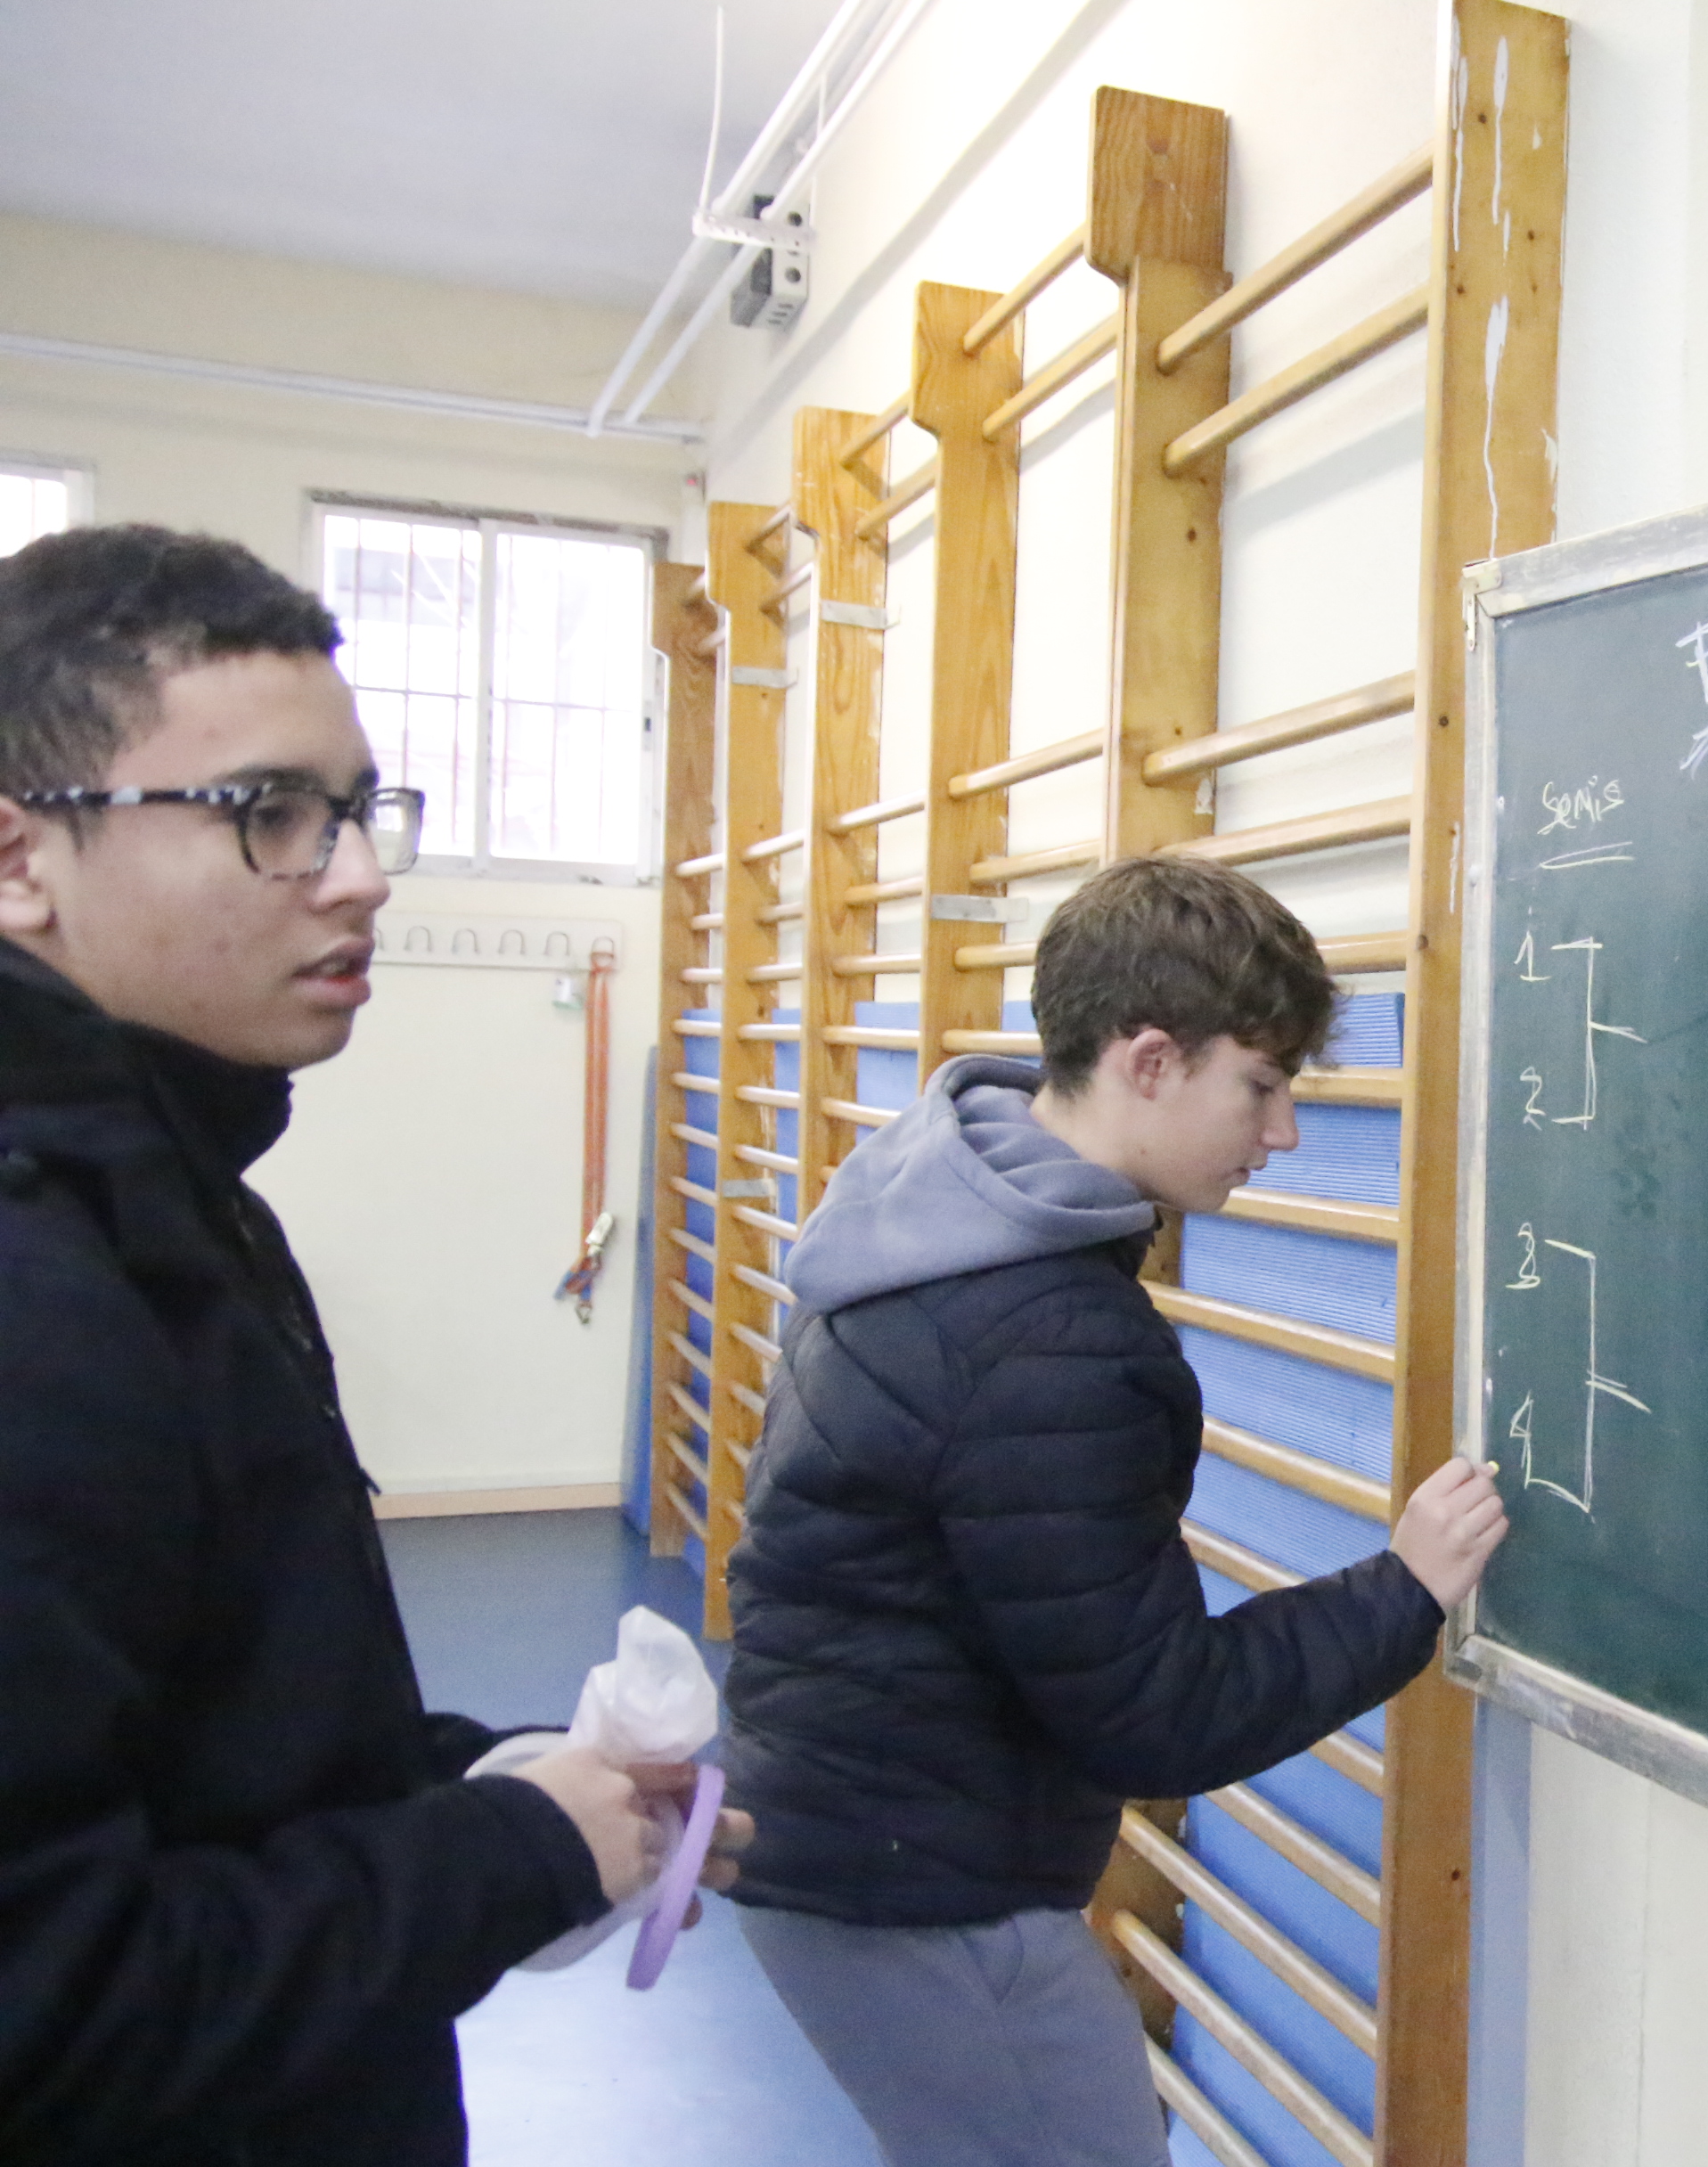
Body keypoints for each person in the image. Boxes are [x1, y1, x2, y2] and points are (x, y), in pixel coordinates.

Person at [0, 525, 747, 2165]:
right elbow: (48, 2005)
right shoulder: (37, 1288)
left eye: (355, 808)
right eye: (268, 812)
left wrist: (511, 1784)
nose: (358, 874)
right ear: (21, 859)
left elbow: (213, 1747)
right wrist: (507, 1856)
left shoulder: (181, 1204)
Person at [723, 853, 1508, 2167]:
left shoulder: (933, 1208)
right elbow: (1161, 1714)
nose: (1282, 1134)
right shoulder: (1046, 1339)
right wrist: (1404, 1590)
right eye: (1260, 1086)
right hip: (915, 1891)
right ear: (1149, 1062)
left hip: (849, 1844)